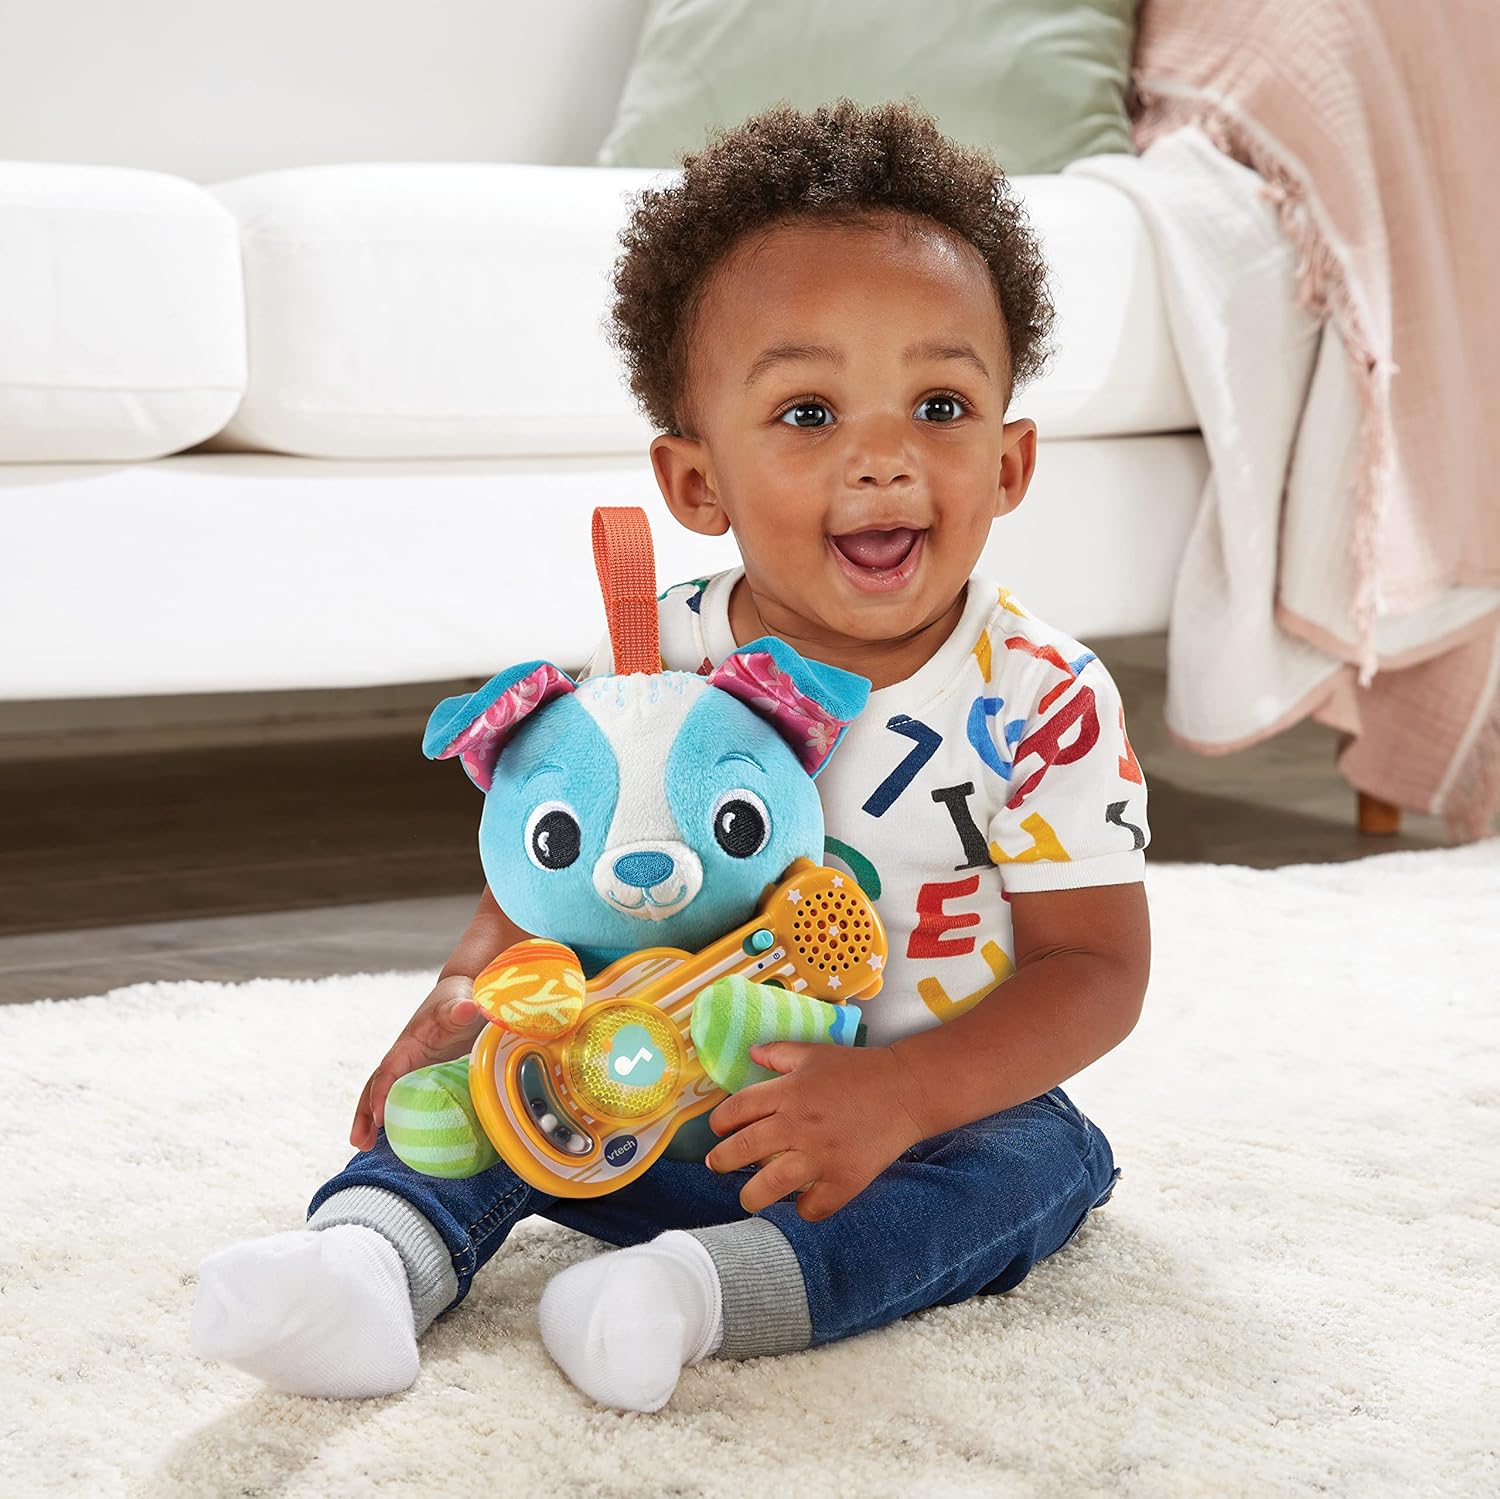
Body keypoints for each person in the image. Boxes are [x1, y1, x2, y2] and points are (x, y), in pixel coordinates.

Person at [191, 99, 1151, 1413]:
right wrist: (466, 991)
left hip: (891, 1134)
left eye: (939, 404)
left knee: (1042, 1163)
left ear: (1010, 458)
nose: (882, 458)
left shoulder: (1044, 697)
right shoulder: (658, 660)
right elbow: (557, 855)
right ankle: (365, 1264)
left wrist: (900, 1093)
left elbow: (1096, 970)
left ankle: (693, 1297)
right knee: (495, 1071)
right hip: (635, 1088)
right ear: (698, 483)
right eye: (808, 412)